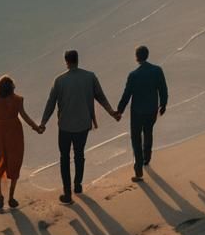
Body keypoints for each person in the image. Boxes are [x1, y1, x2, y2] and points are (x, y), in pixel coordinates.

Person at [40, 49, 118, 204]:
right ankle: (78, 185)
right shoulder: (90, 77)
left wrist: (43, 123)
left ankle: (67, 193)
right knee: (79, 154)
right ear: (77, 60)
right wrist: (111, 112)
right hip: (83, 125)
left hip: (65, 126)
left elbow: (50, 103)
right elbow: (100, 97)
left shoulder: (59, 80)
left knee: (64, 158)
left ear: (66, 61)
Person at [0, 74, 43, 211]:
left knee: (0, 163)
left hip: (0, 133)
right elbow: (24, 116)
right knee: (15, 162)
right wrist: (36, 128)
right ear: (12, 87)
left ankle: (0, 196)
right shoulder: (18, 100)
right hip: (15, 133)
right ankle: (11, 197)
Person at [116, 44, 168, 182]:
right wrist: (163, 104)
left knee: (135, 138)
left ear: (136, 57)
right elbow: (163, 89)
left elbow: (127, 95)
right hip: (151, 110)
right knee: (148, 132)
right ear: (147, 55)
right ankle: (147, 158)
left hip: (137, 112)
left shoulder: (134, 75)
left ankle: (138, 168)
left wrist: (119, 111)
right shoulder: (157, 70)